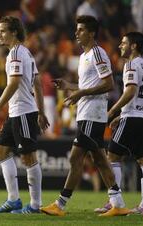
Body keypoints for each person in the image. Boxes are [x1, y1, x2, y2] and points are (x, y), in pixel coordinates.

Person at [40, 15, 130, 217]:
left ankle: (61, 204)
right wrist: (69, 86)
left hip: (93, 113)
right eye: (76, 29)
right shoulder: (83, 57)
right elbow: (87, 85)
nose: (76, 33)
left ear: (91, 33)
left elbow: (109, 84)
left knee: (77, 157)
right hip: (85, 113)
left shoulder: (98, 54)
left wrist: (80, 93)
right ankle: (118, 203)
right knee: (98, 158)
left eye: (81, 30)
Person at [0, 16, 49, 214]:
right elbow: (36, 83)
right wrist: (42, 111)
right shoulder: (23, 52)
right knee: (0, 152)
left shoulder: (17, 54)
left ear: (14, 32)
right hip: (16, 112)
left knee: (28, 158)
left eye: (3, 31)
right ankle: (14, 200)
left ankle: (35, 205)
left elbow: (14, 83)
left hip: (23, 112)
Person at [94, 32, 143, 215]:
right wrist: (122, 115)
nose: (120, 46)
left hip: (132, 117)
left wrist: (113, 110)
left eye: (124, 43)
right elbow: (140, 98)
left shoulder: (131, 64)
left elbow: (130, 91)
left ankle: (114, 201)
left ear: (134, 45)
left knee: (111, 157)